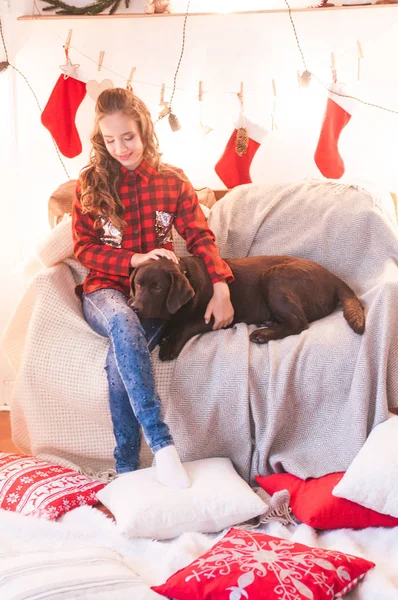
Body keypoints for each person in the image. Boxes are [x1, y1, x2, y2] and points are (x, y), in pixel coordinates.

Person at [72, 87, 234, 488]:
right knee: (124, 322)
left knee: (118, 361)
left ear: (144, 130)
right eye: (110, 140)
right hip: (105, 290)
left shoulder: (171, 182)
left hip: (152, 297)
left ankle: (126, 468)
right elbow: (83, 249)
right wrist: (133, 259)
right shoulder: (90, 183)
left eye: (128, 137)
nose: (120, 148)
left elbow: (199, 237)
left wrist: (220, 284)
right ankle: (163, 446)